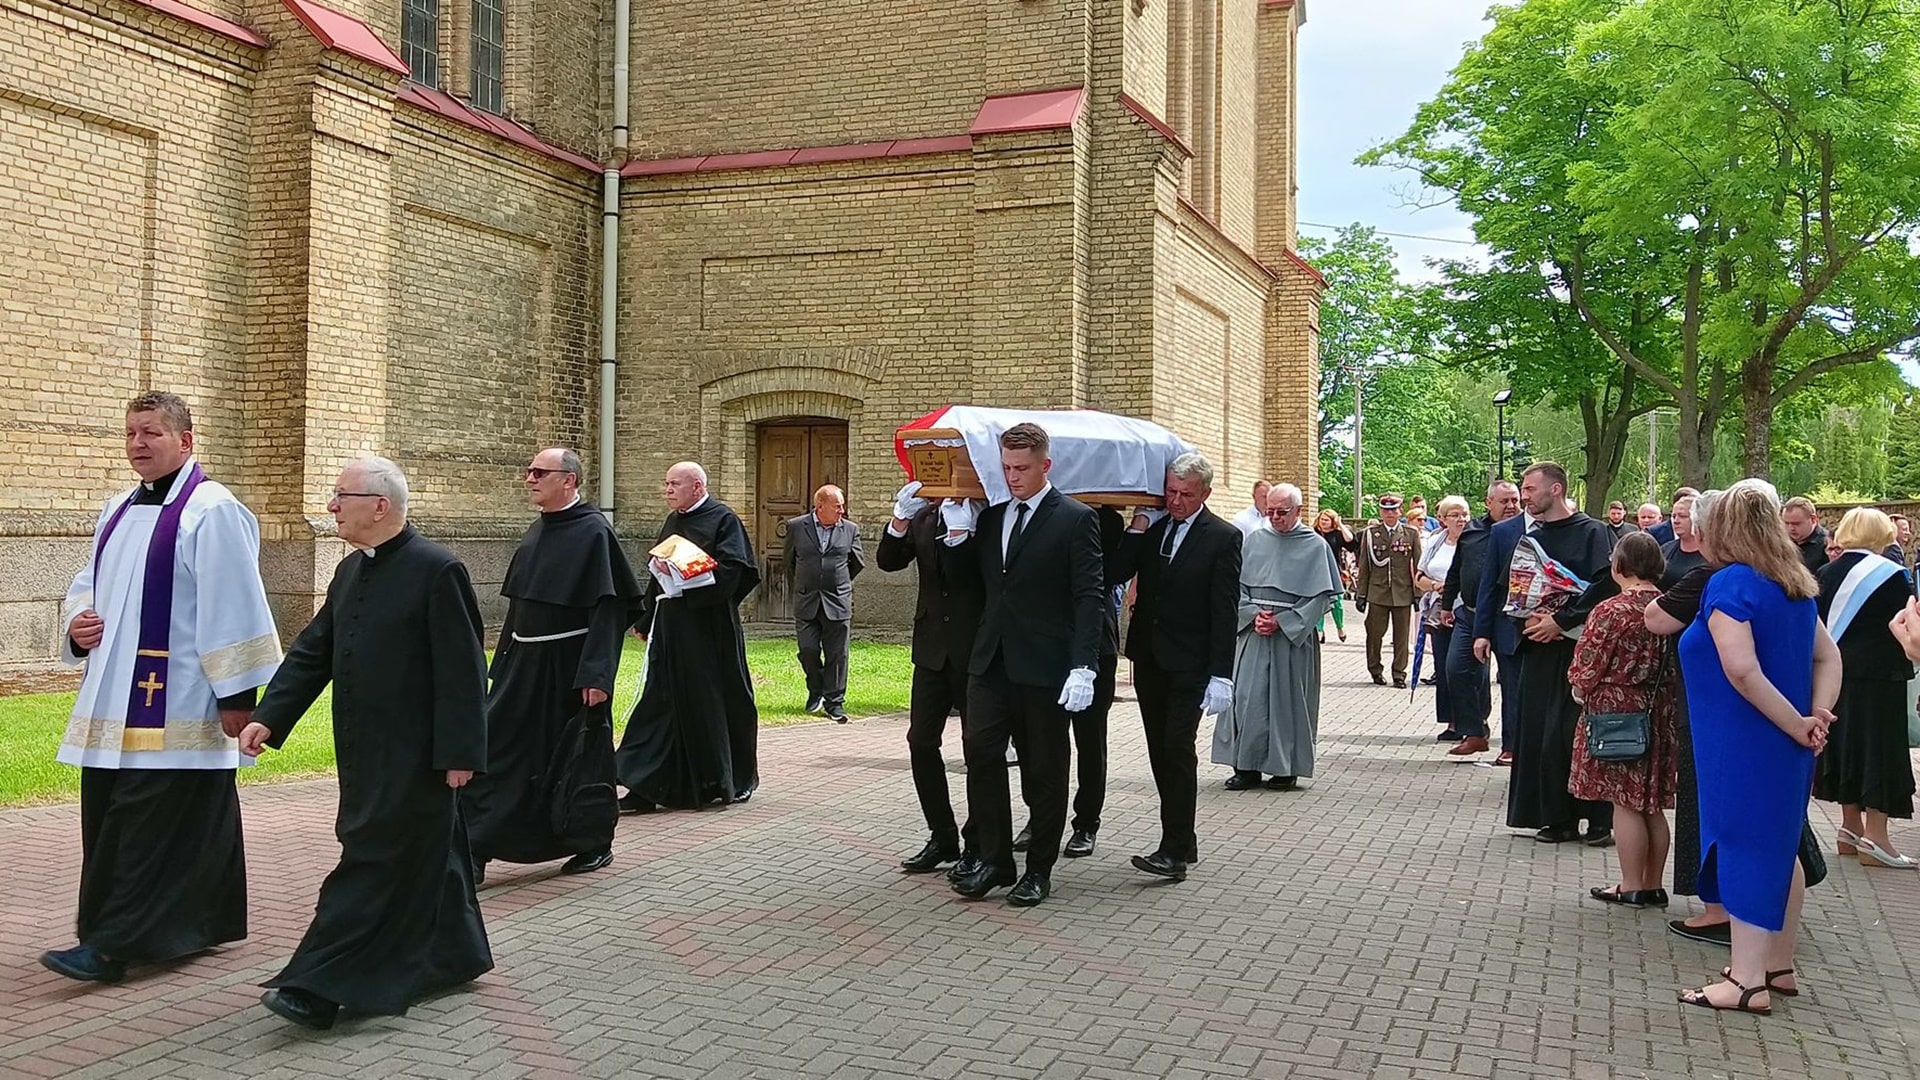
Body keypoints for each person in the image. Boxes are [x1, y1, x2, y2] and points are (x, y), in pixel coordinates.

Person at [39, 391, 282, 985]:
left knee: (149, 824)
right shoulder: (117, 508)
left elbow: (234, 603)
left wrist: (236, 698)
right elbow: (89, 581)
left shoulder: (212, 510)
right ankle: (199, 921)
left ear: (185, 440)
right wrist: (78, 622)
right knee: (118, 814)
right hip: (113, 699)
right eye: (130, 433)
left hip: (180, 702)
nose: (138, 444)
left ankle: (112, 946)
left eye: (151, 432)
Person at [242, 456, 491, 1029]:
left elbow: (462, 671)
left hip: (419, 754)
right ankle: (455, 955)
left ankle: (318, 985)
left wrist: (460, 754)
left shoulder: (438, 569)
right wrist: (270, 716)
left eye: (341, 496)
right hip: (362, 748)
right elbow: (314, 651)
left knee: (372, 861)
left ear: (380, 506)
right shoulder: (349, 571)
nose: (331, 506)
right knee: (429, 854)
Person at [1675, 479, 1839, 1015]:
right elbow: (1829, 657)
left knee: (1741, 845)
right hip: (1786, 745)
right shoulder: (1794, 585)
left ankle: (1746, 982)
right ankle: (1777, 965)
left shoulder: (1730, 584)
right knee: (1780, 845)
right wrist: (1816, 716)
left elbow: (1741, 670)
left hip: (1740, 740)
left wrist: (1798, 724)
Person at [463, 448, 642, 885]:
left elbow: (608, 610)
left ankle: (591, 840)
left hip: (569, 670)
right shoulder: (536, 530)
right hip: (522, 666)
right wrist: (502, 662)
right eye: (529, 471)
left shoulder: (594, 532)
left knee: (574, 758)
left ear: (569, 480)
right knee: (495, 749)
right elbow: (520, 605)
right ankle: (476, 845)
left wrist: (596, 675)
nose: (529, 478)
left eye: (539, 472)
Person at [945, 423, 1104, 907]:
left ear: (1044, 466)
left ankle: (1038, 868)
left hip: (1045, 665)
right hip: (991, 660)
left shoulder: (1075, 519)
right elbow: (972, 586)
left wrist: (1084, 665)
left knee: (1044, 769)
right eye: (1006, 467)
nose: (1012, 476)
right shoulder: (994, 518)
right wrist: (956, 537)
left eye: (1021, 468)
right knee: (981, 755)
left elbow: (1089, 596)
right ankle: (995, 859)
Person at [1113, 452, 1240, 881]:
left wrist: (1221, 673)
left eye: (1186, 494)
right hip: (1150, 658)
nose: (1176, 501)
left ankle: (1173, 852)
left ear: (1205, 493)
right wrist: (1136, 528)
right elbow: (1116, 571)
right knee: (1158, 750)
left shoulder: (1222, 537)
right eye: (1170, 491)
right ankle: (1183, 839)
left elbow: (1224, 609)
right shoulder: (1154, 530)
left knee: (1177, 749)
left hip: (1191, 662)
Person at [1476, 462, 1618, 845]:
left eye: (1530, 489)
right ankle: (1556, 817)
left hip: (1580, 650)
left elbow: (1606, 585)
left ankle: (1598, 820)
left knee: (1579, 733)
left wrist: (1562, 620)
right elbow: (1514, 587)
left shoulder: (1594, 532)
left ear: (1555, 490)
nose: (1524, 496)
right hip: (1538, 647)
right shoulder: (1531, 537)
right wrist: (1530, 618)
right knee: (1542, 733)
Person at [616, 462, 762, 809]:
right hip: (671, 626)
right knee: (660, 701)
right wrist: (645, 619)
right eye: (666, 483)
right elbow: (658, 575)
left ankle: (729, 779)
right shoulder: (673, 521)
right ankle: (647, 785)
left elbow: (735, 571)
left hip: (709, 628)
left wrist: (692, 584)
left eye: (674, 484)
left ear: (697, 487)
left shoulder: (723, 520)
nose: (667, 490)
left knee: (715, 701)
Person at [877, 482, 984, 873]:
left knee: (978, 749)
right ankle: (942, 836)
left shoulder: (985, 514)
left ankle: (978, 842)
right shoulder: (924, 517)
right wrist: (899, 520)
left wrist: (963, 532)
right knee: (921, 742)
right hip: (931, 648)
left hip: (973, 648)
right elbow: (888, 561)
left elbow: (972, 576)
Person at [1569, 533, 1678, 908]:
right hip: (1660, 708)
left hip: (1617, 712)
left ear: (1619, 565)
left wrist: (1580, 690)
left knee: (1625, 801)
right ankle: (1653, 884)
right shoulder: (1671, 606)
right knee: (1652, 804)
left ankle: (1631, 884)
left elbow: (1587, 664)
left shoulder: (1611, 611)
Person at [1214, 483, 1340, 792]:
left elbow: (1321, 597)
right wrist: (1252, 614)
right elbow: (1235, 586)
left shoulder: (1315, 546)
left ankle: (1285, 768)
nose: (1275, 517)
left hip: (1292, 638)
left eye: (1282, 512)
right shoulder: (1254, 540)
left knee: (1288, 701)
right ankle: (1245, 766)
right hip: (1253, 631)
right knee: (1247, 698)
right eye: (1269, 511)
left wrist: (1283, 621)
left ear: (1298, 510)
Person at [1813, 508, 1917, 869]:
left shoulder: (1825, 572)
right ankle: (1877, 839)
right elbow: (1908, 621)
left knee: (1846, 746)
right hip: (1881, 679)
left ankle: (1849, 830)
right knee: (1879, 750)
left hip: (1836, 675)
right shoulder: (1892, 575)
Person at [1441, 479, 1520, 758]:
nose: (1511, 506)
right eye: (1504, 501)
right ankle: (1474, 732)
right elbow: (1456, 569)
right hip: (1470, 614)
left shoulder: (1526, 531)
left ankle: (1512, 746)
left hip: (1508, 618)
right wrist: (1446, 605)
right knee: (1455, 669)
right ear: (1489, 503)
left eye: (1515, 500)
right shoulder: (1472, 531)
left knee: (1511, 683)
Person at [785, 484, 866, 723]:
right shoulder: (796, 527)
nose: (842, 510)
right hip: (807, 600)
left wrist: (838, 584)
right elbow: (789, 562)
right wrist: (805, 583)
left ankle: (835, 702)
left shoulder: (850, 529)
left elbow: (857, 563)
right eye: (837, 506)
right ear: (820, 506)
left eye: (842, 506)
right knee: (808, 650)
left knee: (837, 654)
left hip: (837, 601)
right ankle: (815, 687)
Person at [1416, 497, 1470, 740]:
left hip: (1467, 610)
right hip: (1439, 610)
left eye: (1465, 514)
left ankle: (1474, 722)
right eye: (1455, 515)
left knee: (1464, 666)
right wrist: (1436, 585)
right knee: (1444, 665)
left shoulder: (1476, 540)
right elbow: (1419, 578)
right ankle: (1452, 722)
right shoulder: (1435, 541)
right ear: (1443, 519)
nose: (1461, 519)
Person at [1357, 493, 1422, 688]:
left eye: (1393, 509)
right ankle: (1375, 669)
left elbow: (1417, 565)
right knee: (1374, 634)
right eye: (1386, 510)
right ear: (1381, 512)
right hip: (1378, 592)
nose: (1390, 513)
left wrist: (1418, 593)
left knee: (1401, 637)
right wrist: (1361, 594)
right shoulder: (1371, 534)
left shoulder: (1410, 533)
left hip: (1402, 592)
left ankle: (1399, 673)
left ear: (1400, 511)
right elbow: (1365, 565)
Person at [1313, 508, 1356, 643]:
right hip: (1316, 571)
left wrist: (1340, 524)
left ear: (1333, 521)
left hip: (1334, 571)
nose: (1323, 522)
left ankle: (1340, 627)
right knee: (1318, 601)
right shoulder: (1313, 533)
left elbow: (1351, 541)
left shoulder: (1337, 534)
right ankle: (1319, 630)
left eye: (1327, 520)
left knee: (1336, 601)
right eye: (1322, 519)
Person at [1658, 493, 1707, 588]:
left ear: (1696, 518)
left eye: (1682, 516)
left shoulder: (1710, 554)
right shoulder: (1665, 549)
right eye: (1674, 516)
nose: (1676, 521)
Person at [1782, 496, 1829, 573]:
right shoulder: (1782, 542)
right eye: (1786, 523)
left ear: (1813, 519)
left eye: (1796, 524)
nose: (1791, 528)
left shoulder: (1828, 545)